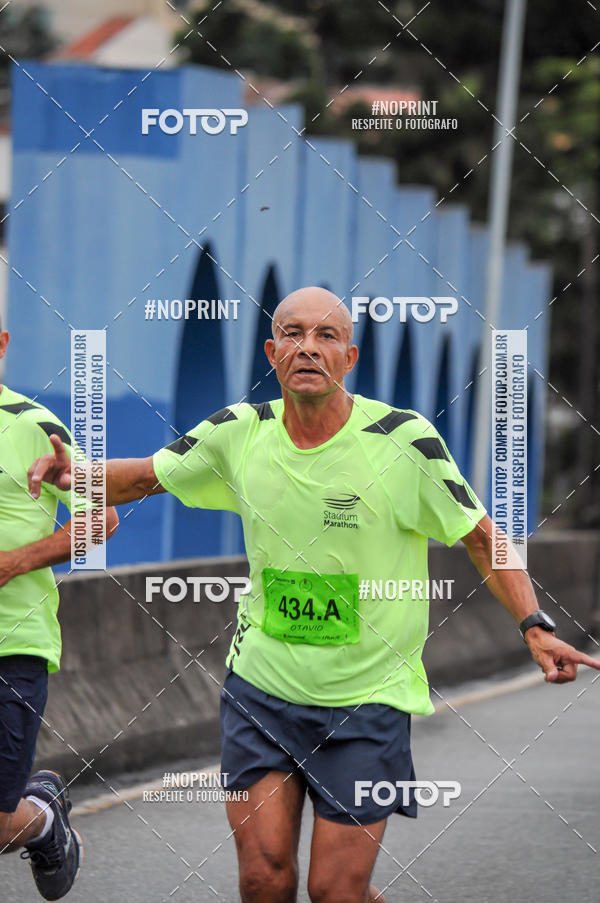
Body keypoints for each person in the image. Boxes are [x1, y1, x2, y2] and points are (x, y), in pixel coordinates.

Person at [28, 287, 600, 903]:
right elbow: (146, 475)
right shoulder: (237, 433)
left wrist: (534, 625)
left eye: (326, 336)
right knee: (263, 878)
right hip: (262, 690)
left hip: (369, 699)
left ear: (349, 357)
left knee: (336, 892)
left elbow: (485, 539)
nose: (309, 347)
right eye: (294, 334)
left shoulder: (403, 440)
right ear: (273, 353)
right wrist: (74, 473)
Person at [0, 320, 119, 900]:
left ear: (1, 343)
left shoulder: (33, 426)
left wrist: (15, 562)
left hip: (12, 643)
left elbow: (103, 517)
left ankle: (42, 819)